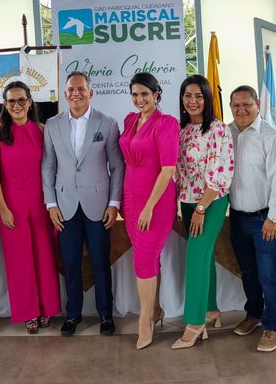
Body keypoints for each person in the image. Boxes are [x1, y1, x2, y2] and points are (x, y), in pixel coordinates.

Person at [42, 71, 124, 337]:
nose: (75, 93)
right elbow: (48, 165)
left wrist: (113, 203)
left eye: (81, 89)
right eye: (71, 89)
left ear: (91, 92)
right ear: (65, 93)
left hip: (99, 205)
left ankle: (105, 314)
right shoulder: (52, 124)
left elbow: (117, 165)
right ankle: (73, 314)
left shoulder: (108, 123)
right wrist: (51, 204)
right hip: (64, 205)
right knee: (70, 262)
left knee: (100, 262)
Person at [0, 82, 61, 334]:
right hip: (12, 205)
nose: (16, 105)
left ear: (30, 102)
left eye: (21, 100)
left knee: (45, 256)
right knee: (20, 261)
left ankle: (47, 307)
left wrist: (52, 205)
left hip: (40, 203)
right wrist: (2, 208)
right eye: (11, 101)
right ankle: (29, 312)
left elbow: (52, 169)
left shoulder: (43, 130)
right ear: (5, 104)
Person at [172, 75, 233, 350]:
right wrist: (181, 204)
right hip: (187, 200)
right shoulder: (182, 130)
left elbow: (220, 173)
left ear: (207, 99)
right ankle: (210, 310)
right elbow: (179, 172)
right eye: (188, 95)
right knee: (204, 257)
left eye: (198, 96)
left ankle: (195, 323)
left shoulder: (218, 130)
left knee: (195, 257)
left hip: (211, 201)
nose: (193, 101)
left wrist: (201, 207)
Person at [119, 72, 179, 350]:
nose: (139, 99)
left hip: (155, 201)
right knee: (147, 256)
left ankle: (145, 320)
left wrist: (149, 207)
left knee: (144, 258)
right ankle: (155, 310)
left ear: (156, 94)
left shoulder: (166, 123)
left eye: (145, 94)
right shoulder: (130, 120)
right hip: (131, 197)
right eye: (135, 94)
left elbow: (168, 169)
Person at [228, 85, 276, 353]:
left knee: (269, 275)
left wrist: (273, 218)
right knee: (248, 271)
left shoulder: (272, 138)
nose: (241, 110)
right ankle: (254, 313)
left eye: (247, 104)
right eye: (236, 105)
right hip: (237, 217)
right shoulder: (226, 133)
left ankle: (273, 325)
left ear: (257, 105)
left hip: (265, 218)